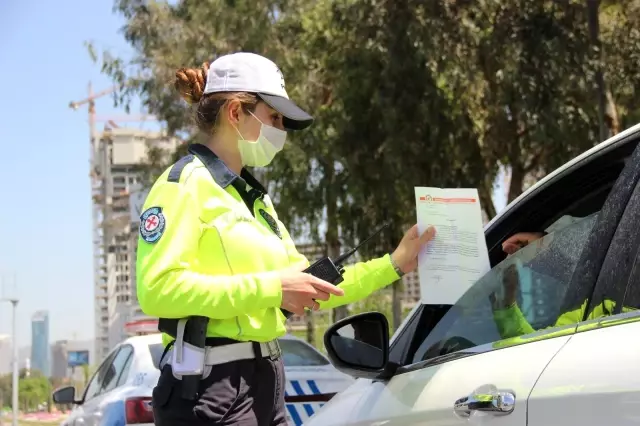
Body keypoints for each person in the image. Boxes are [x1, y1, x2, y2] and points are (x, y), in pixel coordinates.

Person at [136, 52, 436, 426]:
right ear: (235, 113)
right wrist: (273, 288)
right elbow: (157, 289)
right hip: (209, 388)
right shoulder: (182, 186)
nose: (281, 130)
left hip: (266, 382)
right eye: (274, 117)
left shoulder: (256, 201)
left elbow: (310, 283)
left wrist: (393, 264)